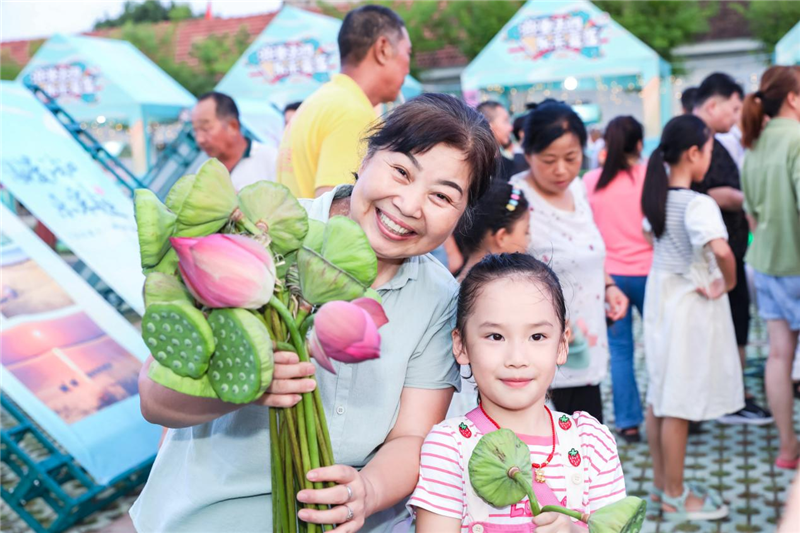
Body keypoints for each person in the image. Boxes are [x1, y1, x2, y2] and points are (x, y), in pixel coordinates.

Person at [130, 94, 498, 533]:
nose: (410, 205)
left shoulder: (438, 297)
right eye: (401, 172)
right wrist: (244, 385)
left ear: (462, 214)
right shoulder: (263, 233)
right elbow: (154, 400)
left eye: (441, 196)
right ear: (366, 155)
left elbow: (413, 437)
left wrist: (367, 491)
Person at [409, 253, 627, 532]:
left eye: (537, 337)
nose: (516, 358)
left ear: (562, 345)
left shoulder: (592, 444)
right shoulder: (449, 449)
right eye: (495, 336)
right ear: (461, 345)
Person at [641, 115, 744, 521]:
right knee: (677, 401)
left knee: (661, 395)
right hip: (687, 304)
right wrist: (727, 283)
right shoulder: (700, 204)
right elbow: (722, 250)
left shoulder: (658, 196)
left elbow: (653, 237)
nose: (711, 159)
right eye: (710, 151)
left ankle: (664, 483)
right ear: (693, 153)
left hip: (662, 299)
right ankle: (675, 495)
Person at [510, 101, 629, 422]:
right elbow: (505, 276)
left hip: (586, 345)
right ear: (528, 152)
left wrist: (610, 285)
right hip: (541, 357)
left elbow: (588, 248)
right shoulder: (515, 199)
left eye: (571, 158)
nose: (561, 170)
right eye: (549, 160)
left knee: (587, 443)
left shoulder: (578, 189)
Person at [692, 72, 772, 425]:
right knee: (727, 326)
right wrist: (739, 199)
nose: (738, 116)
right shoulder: (694, 138)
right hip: (715, 257)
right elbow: (696, 195)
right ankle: (730, 398)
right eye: (735, 107)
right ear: (712, 104)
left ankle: (733, 393)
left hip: (729, 252)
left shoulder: (715, 139)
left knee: (734, 325)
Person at [277, 5, 411, 199]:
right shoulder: (350, 111)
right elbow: (337, 212)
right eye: (408, 52)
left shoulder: (319, 102)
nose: (408, 68)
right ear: (383, 49)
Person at [740, 65, 800, 470]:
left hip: (766, 263)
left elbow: (752, 217)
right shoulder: (797, 139)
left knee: (779, 355)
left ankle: (786, 447)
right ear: (794, 98)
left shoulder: (755, 145)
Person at [583, 116, 652, 444]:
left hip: (608, 278)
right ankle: (672, 414)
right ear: (639, 144)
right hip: (651, 273)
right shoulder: (651, 175)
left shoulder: (591, 181)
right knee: (660, 346)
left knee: (621, 352)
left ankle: (627, 422)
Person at [446, 181, 531, 419]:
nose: (528, 240)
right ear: (502, 237)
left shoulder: (451, 286)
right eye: (525, 231)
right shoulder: (508, 295)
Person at [191, 91, 277, 191]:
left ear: (233, 126)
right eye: (195, 130)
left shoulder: (271, 159)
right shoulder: (203, 173)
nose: (200, 139)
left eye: (205, 128)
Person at [477, 101, 516, 180]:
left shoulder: (507, 165)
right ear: (488, 125)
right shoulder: (476, 167)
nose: (510, 128)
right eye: (505, 121)